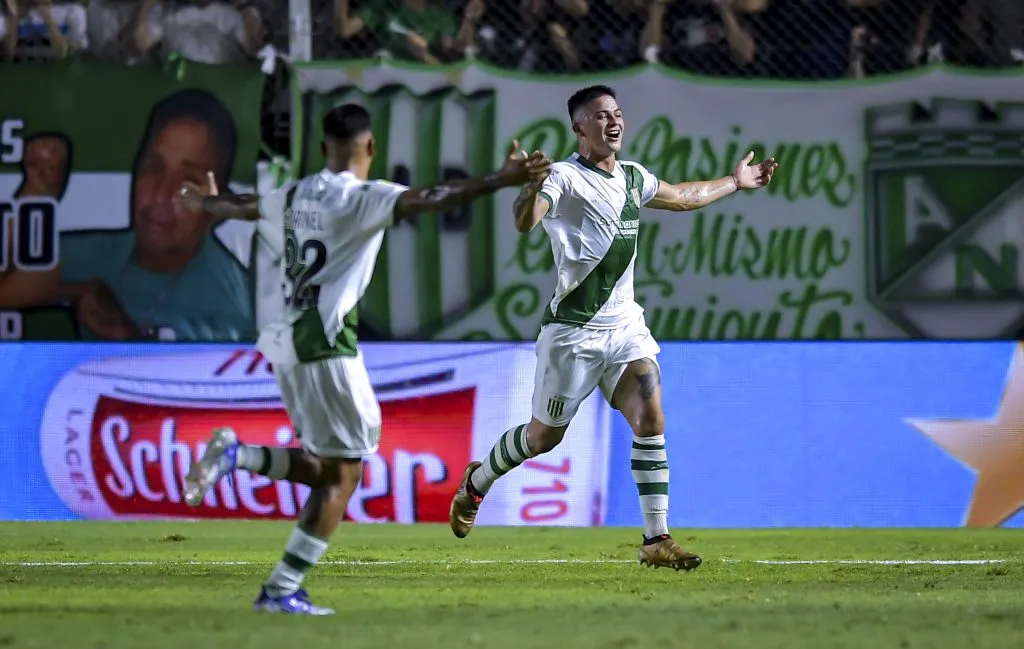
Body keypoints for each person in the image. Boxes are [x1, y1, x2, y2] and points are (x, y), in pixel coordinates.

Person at [177, 103, 551, 615]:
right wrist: (501, 178)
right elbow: (434, 198)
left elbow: (244, 205)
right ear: (370, 148)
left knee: (323, 466)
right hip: (329, 345)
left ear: (323, 147)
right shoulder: (364, 197)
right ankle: (282, 589)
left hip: (288, 344)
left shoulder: (296, 192)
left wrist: (206, 204)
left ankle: (236, 456)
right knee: (344, 476)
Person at [448, 85, 778, 570]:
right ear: (579, 128)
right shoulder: (562, 177)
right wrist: (526, 187)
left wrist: (733, 180)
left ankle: (656, 539)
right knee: (543, 439)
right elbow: (526, 221)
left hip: (624, 327)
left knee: (651, 417)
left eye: (617, 114)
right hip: (573, 334)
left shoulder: (632, 178)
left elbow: (684, 197)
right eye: (600, 116)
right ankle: (477, 481)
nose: (613, 122)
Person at [0, 89, 254, 341]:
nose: (161, 195)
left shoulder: (233, 302)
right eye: (153, 169)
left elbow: (209, 377)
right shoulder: (105, 252)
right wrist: (37, 192)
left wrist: (125, 335)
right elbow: (11, 279)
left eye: (188, 183)